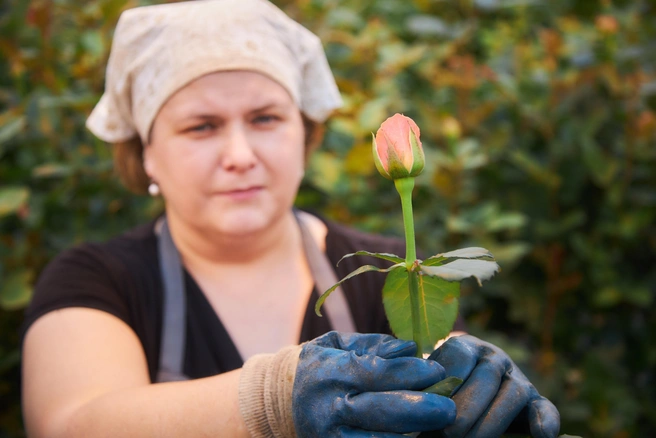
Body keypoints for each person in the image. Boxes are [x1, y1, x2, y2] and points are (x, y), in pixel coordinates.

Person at [20, 0, 560, 437]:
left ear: (305, 136)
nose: (240, 153)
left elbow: (447, 390)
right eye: (201, 126)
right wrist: (273, 399)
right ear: (146, 154)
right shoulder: (95, 280)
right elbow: (71, 422)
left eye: (265, 118)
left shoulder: (388, 270)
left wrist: (474, 390)